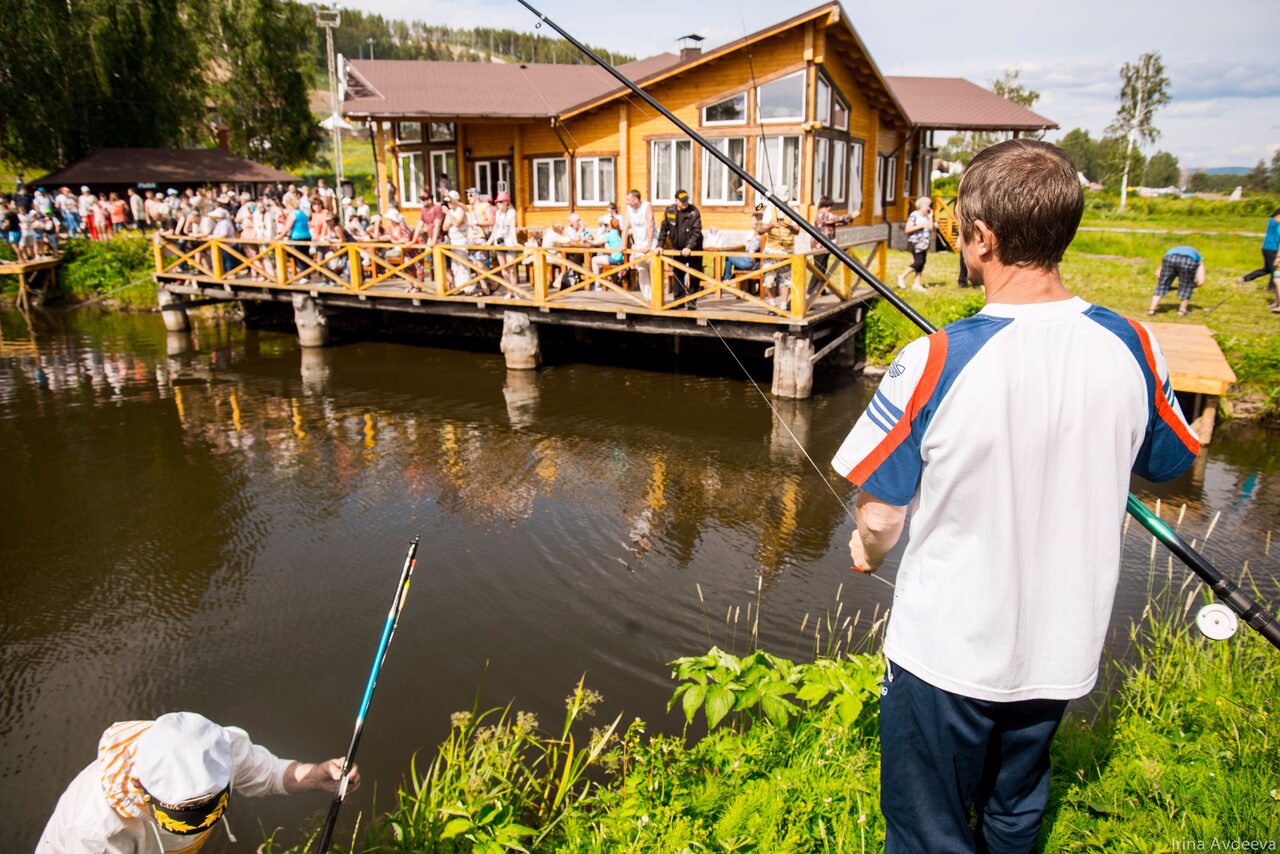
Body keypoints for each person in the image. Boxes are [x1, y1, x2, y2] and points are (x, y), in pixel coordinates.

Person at [831, 139, 1199, 854]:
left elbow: (880, 513)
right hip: (1061, 650)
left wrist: (866, 552)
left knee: (927, 831)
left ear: (983, 239)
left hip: (946, 655)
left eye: (960, 229)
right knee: (1015, 812)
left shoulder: (933, 358)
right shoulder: (1136, 344)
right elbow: (1168, 461)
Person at [38, 711, 355, 853]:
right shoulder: (95, 831)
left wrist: (315, 774)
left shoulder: (218, 750)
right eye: (183, 815)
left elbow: (268, 773)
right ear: (141, 787)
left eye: (208, 808)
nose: (200, 823)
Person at [657, 189, 703, 307]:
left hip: (694, 249)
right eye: (682, 201)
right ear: (676, 201)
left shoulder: (694, 212)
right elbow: (663, 229)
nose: (685, 203)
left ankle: (692, 301)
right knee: (678, 273)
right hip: (677, 248)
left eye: (686, 201)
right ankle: (679, 301)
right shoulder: (670, 211)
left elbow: (696, 232)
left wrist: (689, 247)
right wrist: (659, 245)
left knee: (694, 274)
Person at [756, 186, 800, 309]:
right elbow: (761, 230)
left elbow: (797, 231)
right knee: (769, 278)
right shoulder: (770, 210)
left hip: (787, 249)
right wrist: (771, 226)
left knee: (786, 279)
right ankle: (771, 303)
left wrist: (790, 227)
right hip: (772, 249)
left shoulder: (794, 210)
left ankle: (784, 304)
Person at [1148, 245, 1204, 316]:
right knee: (1186, 286)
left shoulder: (1171, 252)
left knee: (1161, 285)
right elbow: (1201, 281)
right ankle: (1182, 311)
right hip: (1188, 260)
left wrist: (1165, 284)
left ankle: (1151, 310)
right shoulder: (1198, 257)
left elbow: (1157, 273)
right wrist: (1190, 286)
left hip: (1169, 258)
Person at [897, 196, 933, 292]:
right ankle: (902, 276)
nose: (929, 208)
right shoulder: (914, 215)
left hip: (924, 243)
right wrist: (921, 226)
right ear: (923, 206)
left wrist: (930, 218)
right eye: (928, 206)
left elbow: (930, 228)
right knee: (918, 262)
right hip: (916, 243)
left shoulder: (926, 216)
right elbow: (907, 229)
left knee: (922, 263)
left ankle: (917, 283)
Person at [624, 189, 656, 298]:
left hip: (651, 241)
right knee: (641, 270)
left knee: (654, 268)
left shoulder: (647, 206)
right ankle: (647, 298)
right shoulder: (629, 208)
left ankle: (656, 297)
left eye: (629, 199)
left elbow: (650, 226)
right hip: (638, 243)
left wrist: (649, 245)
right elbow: (625, 227)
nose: (627, 202)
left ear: (635, 199)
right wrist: (623, 245)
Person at [1241, 207, 1280, 292]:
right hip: (1272, 248)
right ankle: (1271, 289)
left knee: (1268, 269)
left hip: (1268, 248)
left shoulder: (1271, 221)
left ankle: (1245, 278)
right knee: (1274, 271)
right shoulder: (1276, 222)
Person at [488, 191, 519, 291]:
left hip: (509, 242)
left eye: (501, 202)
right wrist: (489, 241)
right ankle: (509, 291)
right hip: (499, 242)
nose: (498, 204)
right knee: (503, 269)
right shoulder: (497, 213)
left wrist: (515, 242)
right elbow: (495, 228)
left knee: (511, 269)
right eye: (497, 202)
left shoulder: (512, 212)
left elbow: (513, 228)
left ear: (507, 202)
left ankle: (515, 291)